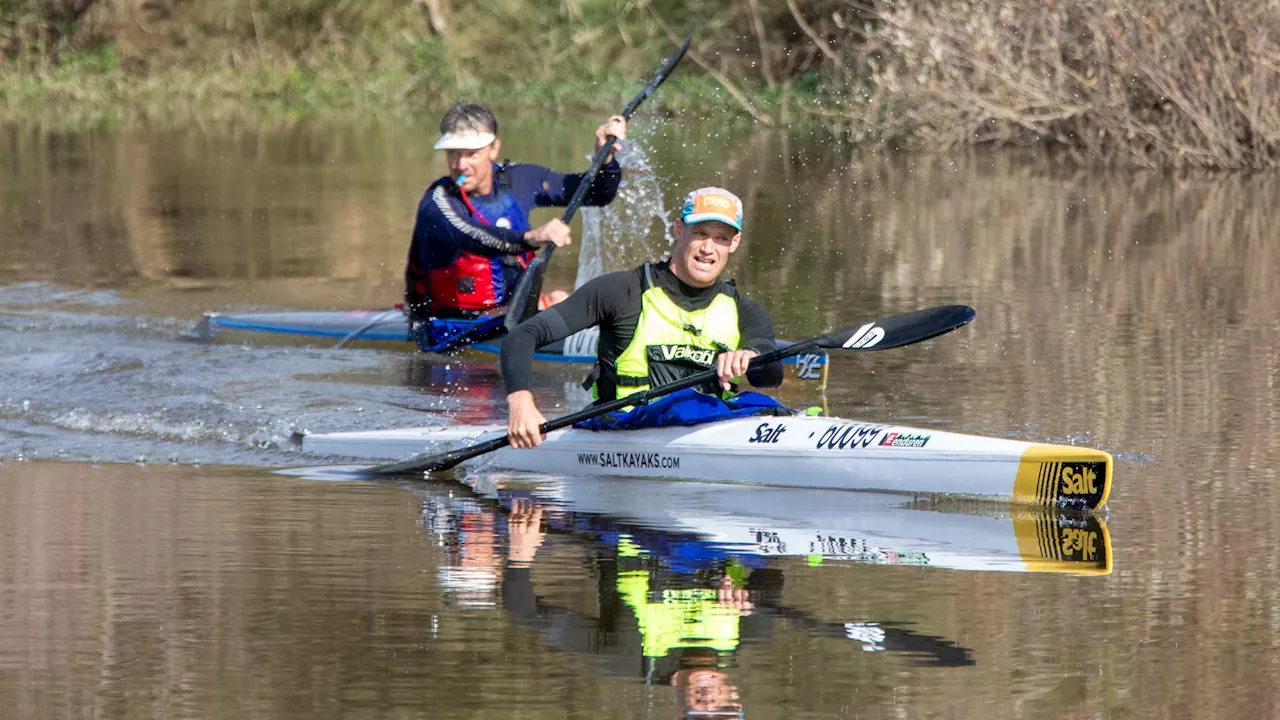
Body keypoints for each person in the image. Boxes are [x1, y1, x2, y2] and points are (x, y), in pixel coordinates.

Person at [500, 187, 784, 448]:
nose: (708, 248)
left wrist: (751, 356)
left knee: (760, 403)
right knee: (686, 406)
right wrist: (521, 401)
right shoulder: (622, 290)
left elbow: (770, 377)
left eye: (721, 238)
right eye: (699, 233)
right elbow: (523, 335)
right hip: (622, 431)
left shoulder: (745, 310)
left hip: (710, 429)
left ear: (734, 243)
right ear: (679, 229)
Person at [405, 101, 628, 324]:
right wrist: (532, 237)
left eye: (472, 154)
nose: (461, 165)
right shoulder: (437, 202)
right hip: (451, 322)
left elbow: (596, 194)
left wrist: (604, 159)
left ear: (494, 149)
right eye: (453, 153)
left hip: (513, 314)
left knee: (565, 299)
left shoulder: (518, 180)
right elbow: (476, 238)